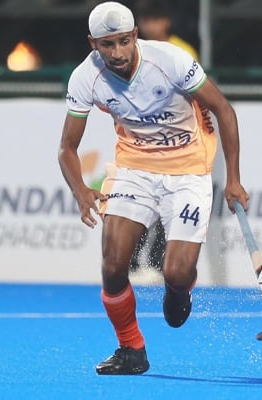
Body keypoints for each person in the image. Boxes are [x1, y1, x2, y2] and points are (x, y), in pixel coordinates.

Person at [58, 1, 249, 375]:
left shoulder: (171, 60)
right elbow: (67, 147)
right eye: (106, 44)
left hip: (189, 170)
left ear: (135, 37)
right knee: (113, 265)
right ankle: (131, 349)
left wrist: (235, 178)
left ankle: (178, 289)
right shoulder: (85, 77)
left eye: (124, 41)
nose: (117, 52)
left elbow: (224, 109)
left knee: (176, 273)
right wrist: (80, 189)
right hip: (134, 168)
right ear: (92, 43)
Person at [128, 0, 200, 274]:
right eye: (145, 20)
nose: (150, 26)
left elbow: (192, 96)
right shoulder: (133, 52)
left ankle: (158, 263)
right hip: (143, 140)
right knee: (138, 200)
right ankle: (133, 263)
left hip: (178, 142)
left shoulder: (183, 51)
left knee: (168, 202)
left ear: (166, 22)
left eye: (155, 19)